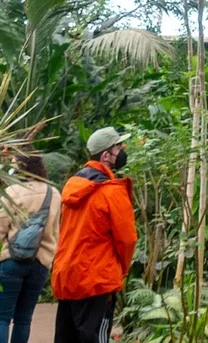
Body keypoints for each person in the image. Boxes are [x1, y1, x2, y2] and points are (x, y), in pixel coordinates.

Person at [51, 128, 135, 343]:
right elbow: (127, 239)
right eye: (118, 147)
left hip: (68, 275)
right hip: (97, 278)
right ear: (106, 155)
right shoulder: (111, 191)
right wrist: (121, 270)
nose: (122, 151)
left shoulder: (73, 187)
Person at [0, 153, 61, 343]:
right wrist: (49, 261)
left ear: (19, 168)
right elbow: (56, 232)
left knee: (1, 319)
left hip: (9, 262)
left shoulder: (12, 192)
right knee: (24, 319)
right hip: (39, 263)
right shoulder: (54, 194)